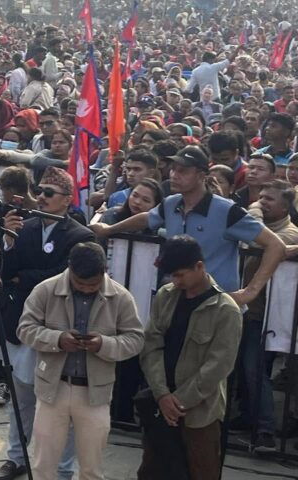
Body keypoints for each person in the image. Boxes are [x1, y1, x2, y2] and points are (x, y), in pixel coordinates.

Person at [0, 166, 93, 480]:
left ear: (67, 199)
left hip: (57, 329)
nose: (42, 197)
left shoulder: (81, 236)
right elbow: (6, 272)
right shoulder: (24, 227)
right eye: (39, 191)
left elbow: (66, 278)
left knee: (61, 404)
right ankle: (16, 457)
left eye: (49, 193)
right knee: (20, 397)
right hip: (22, 322)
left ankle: (62, 469)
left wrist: (25, 277)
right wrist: (8, 241)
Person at [90, 145, 286, 301]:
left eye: (183, 171)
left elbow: (275, 245)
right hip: (179, 298)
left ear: (201, 176)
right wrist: (109, 229)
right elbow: (146, 218)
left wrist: (250, 292)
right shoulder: (171, 203)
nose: (174, 175)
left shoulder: (227, 210)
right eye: (173, 169)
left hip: (217, 304)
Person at [17, 242, 144, 480]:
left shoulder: (121, 297)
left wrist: (104, 344)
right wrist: (57, 339)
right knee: (43, 466)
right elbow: (25, 329)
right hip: (53, 389)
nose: (86, 289)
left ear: (104, 271)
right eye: (79, 284)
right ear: (70, 269)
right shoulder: (46, 290)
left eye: (93, 285)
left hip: (95, 393)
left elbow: (136, 339)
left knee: (92, 469)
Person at [136, 236, 243, 480]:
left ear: (199, 266)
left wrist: (179, 402)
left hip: (201, 411)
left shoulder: (226, 310)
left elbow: (218, 366)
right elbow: (151, 345)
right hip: (160, 402)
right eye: (172, 276)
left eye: (180, 275)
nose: (176, 281)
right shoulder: (166, 296)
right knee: (151, 470)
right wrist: (162, 394)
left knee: (201, 470)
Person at [234, 179, 298, 447]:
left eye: (269, 199)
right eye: (260, 197)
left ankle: (265, 430)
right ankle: (247, 417)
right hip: (244, 309)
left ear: (285, 207)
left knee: (255, 369)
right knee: (240, 368)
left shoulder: (291, 232)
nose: (261, 202)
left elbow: (267, 244)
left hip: (266, 315)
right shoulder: (259, 225)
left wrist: (253, 212)